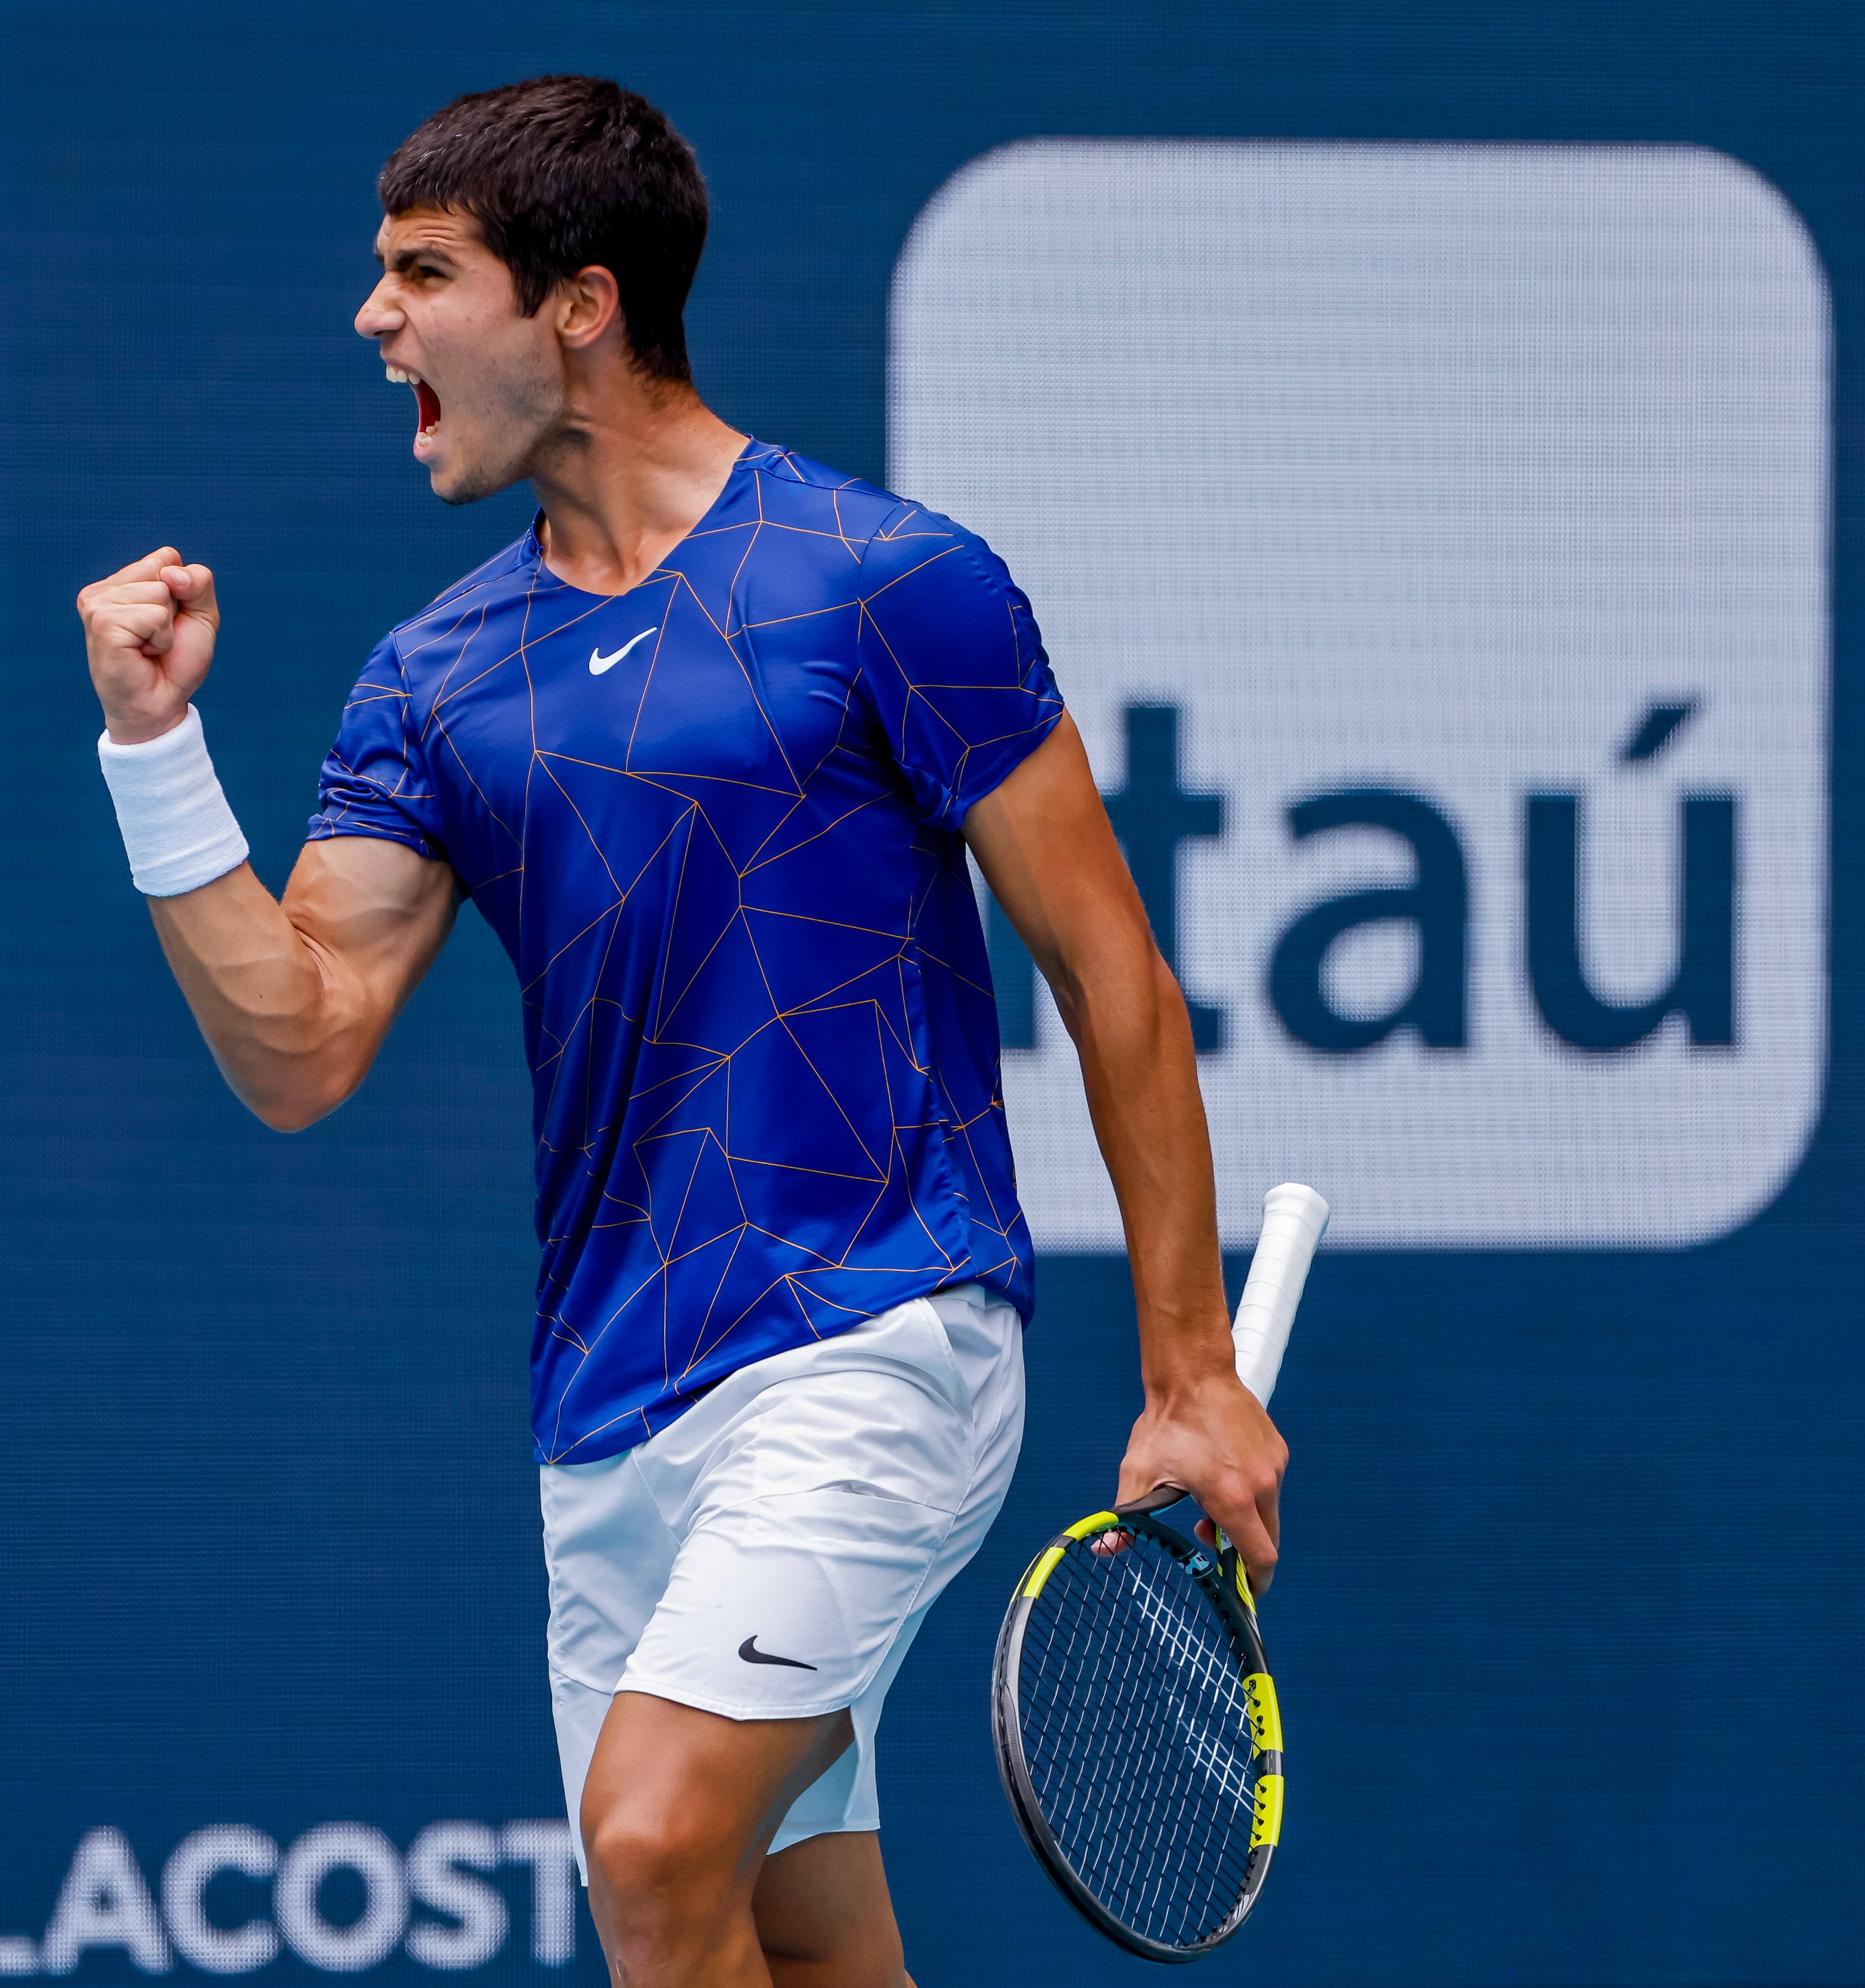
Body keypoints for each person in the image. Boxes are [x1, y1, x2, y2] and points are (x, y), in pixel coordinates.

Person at [75, 75, 1284, 1988]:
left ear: (582, 302)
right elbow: (299, 1044)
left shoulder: (890, 583)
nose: (373, 318)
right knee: (795, 1932)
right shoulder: (437, 682)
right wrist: (157, 755)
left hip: (880, 1335)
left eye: (421, 272)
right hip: (610, 1413)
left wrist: (1191, 1370)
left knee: (649, 1844)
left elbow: (1111, 975)